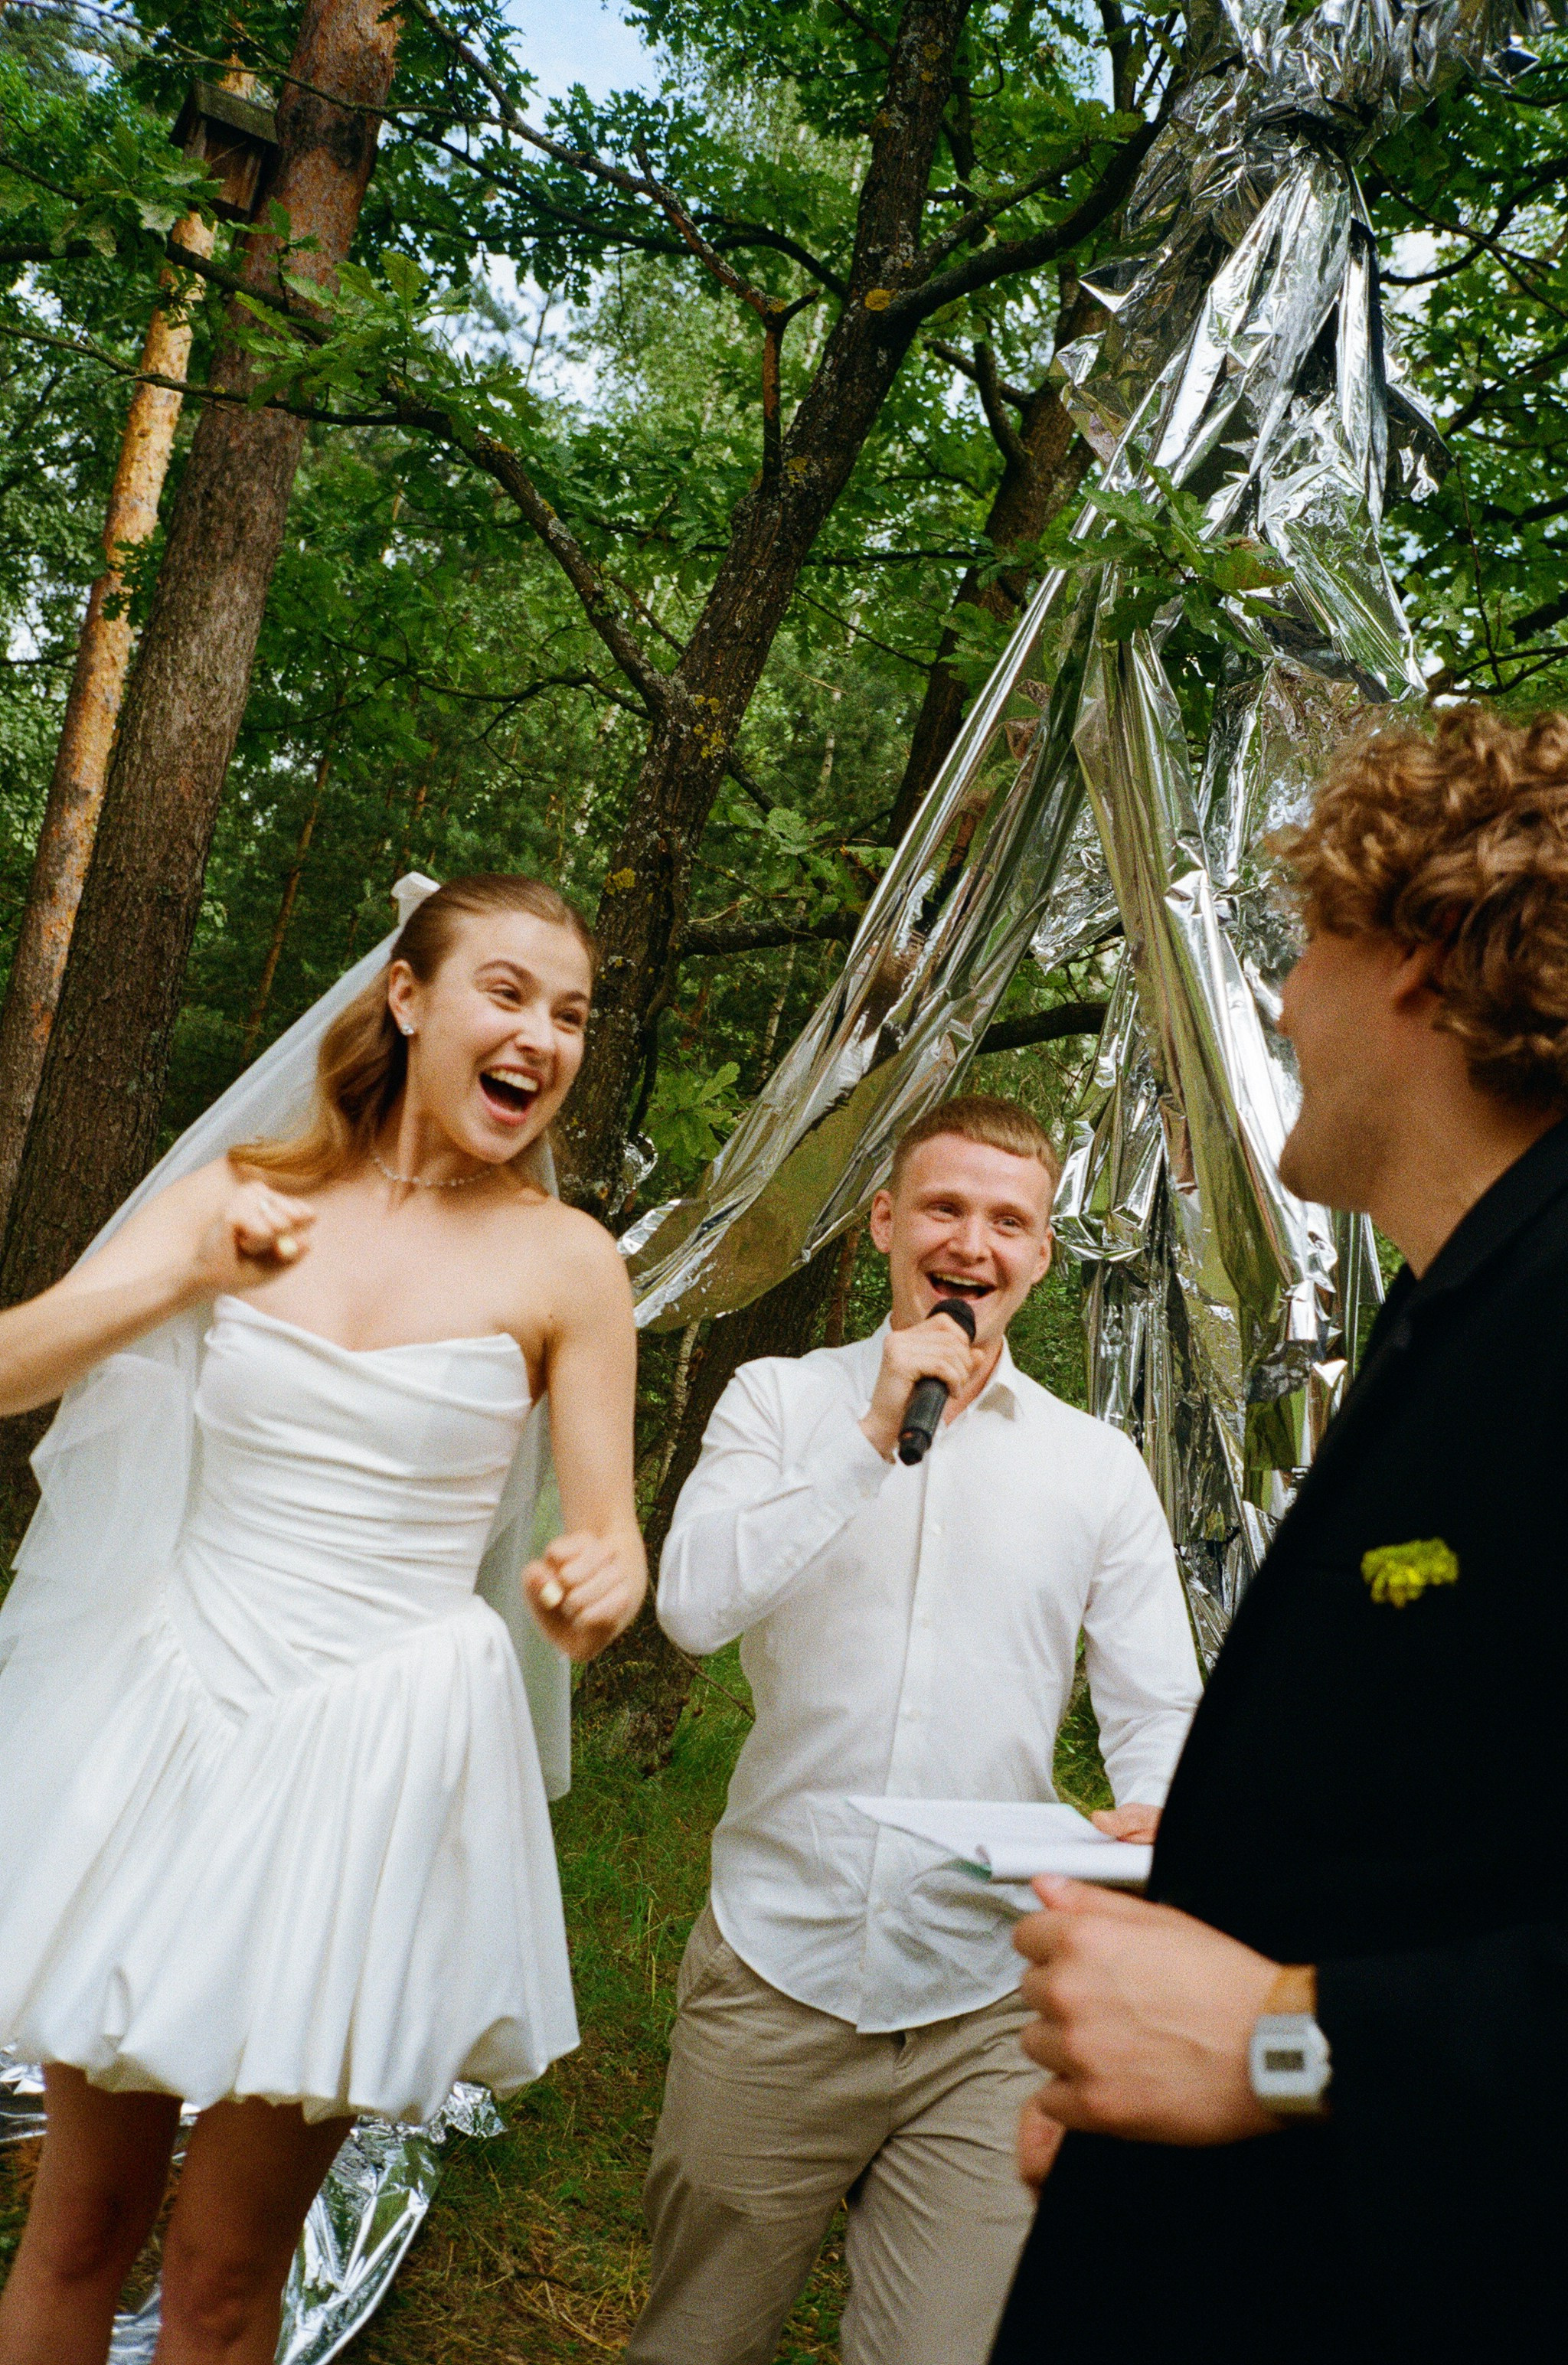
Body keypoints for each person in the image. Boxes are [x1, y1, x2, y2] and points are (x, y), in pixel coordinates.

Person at [0, 874, 645, 2365]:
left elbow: (603, 1540)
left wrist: (598, 1576)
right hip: (169, 1718)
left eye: (570, 1014)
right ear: (409, 998)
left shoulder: (569, 1264)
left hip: (371, 1761)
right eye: (508, 991)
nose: (540, 1036)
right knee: (81, 2228)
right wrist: (182, 1268)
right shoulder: (242, 1192)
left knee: (229, 2277)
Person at [991, 704, 1568, 2365]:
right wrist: (1230, 1873)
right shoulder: (1461, 1317)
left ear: (1424, 954)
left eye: (1302, 944)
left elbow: (1342, 2042)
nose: (1276, 999)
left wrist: (1268, 2045)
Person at [628, 1095, 1202, 2365]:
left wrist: (1161, 1814)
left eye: (1011, 1221)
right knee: (695, 2344)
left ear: (1042, 1255)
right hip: (778, 1969)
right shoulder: (776, 1403)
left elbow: (1158, 1707)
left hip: (986, 2005)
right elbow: (691, 1609)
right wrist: (874, 1432)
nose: (974, 1242)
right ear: (887, 1221)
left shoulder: (1096, 1468)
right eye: (945, 1207)